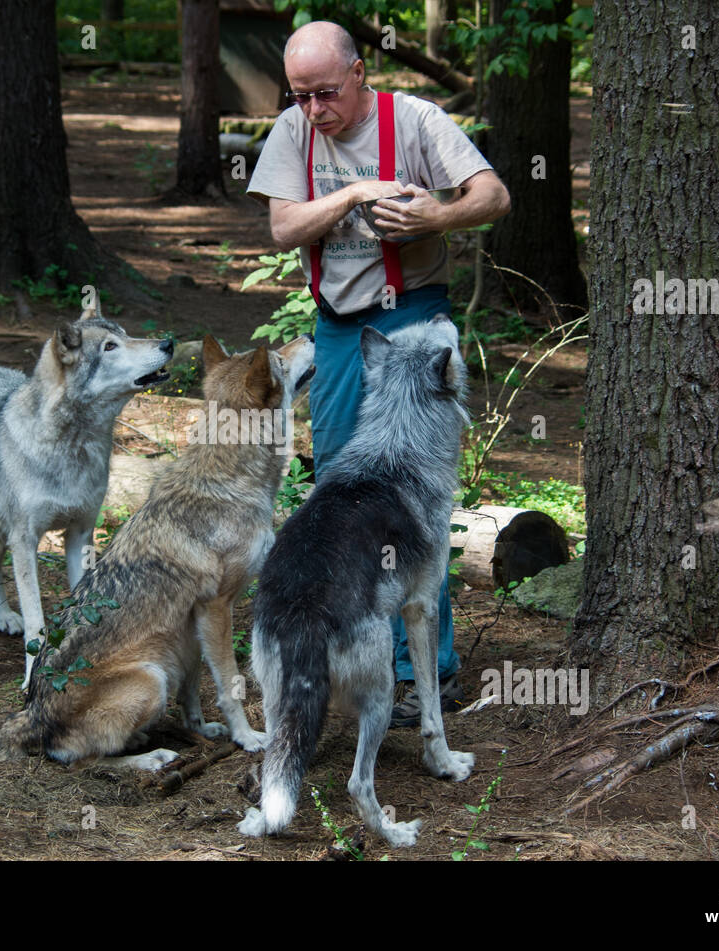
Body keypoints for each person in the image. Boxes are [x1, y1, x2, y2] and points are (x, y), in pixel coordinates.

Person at [247, 19, 510, 727]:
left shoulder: (418, 120)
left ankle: (427, 669)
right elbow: (281, 228)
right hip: (340, 326)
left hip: (415, 318)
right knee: (340, 482)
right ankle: (349, 653)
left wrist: (438, 214)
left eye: (325, 93)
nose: (312, 109)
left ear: (361, 73)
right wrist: (355, 194)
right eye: (299, 95)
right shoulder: (294, 132)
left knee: (418, 498)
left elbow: (494, 196)